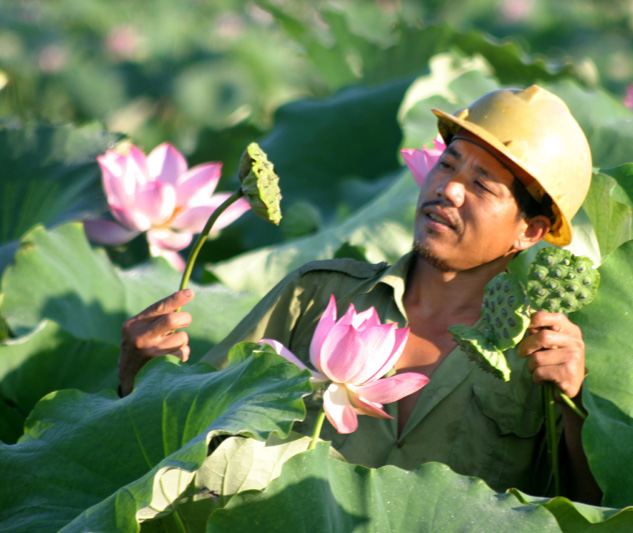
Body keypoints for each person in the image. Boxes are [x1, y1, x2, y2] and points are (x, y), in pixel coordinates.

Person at [117, 84, 601, 504]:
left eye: (481, 185)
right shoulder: (315, 295)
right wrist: (140, 377)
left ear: (531, 231)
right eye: (447, 165)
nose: (449, 190)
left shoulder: (540, 355)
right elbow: (188, 439)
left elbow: (583, 510)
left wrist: (575, 410)